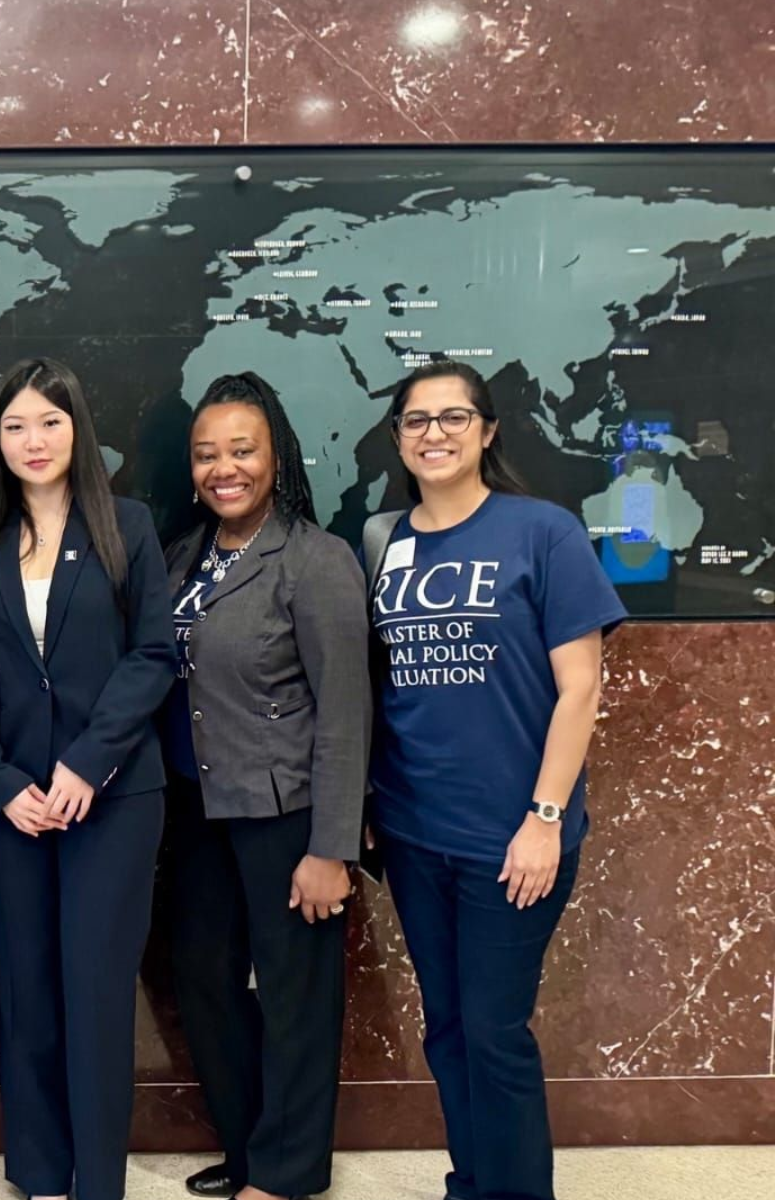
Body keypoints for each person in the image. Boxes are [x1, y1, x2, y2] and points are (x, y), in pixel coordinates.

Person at [365, 362, 624, 1200]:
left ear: (486, 430)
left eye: (452, 417)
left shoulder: (543, 532)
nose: (433, 434)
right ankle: (472, 1182)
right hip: (411, 831)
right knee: (446, 1030)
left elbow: (580, 687)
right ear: (398, 436)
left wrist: (545, 817)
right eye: (415, 420)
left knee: (495, 1031)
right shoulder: (380, 541)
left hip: (514, 836)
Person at [0, 359, 177, 1200]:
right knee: (29, 989)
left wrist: (89, 762)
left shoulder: (126, 525)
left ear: (77, 428)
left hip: (115, 798)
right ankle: (41, 1170)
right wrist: (4, 779)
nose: (33, 441)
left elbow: (154, 653)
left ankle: (98, 1181)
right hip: (15, 803)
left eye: (49, 422)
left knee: (95, 993)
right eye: (15, 426)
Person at [161, 372, 370, 1200]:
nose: (224, 469)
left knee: (295, 998)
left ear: (275, 455)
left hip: (286, 815)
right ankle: (250, 1149)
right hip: (197, 807)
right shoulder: (185, 556)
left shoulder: (316, 560)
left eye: (242, 451)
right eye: (207, 454)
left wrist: (332, 847)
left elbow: (347, 716)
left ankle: (287, 1173)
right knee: (204, 981)